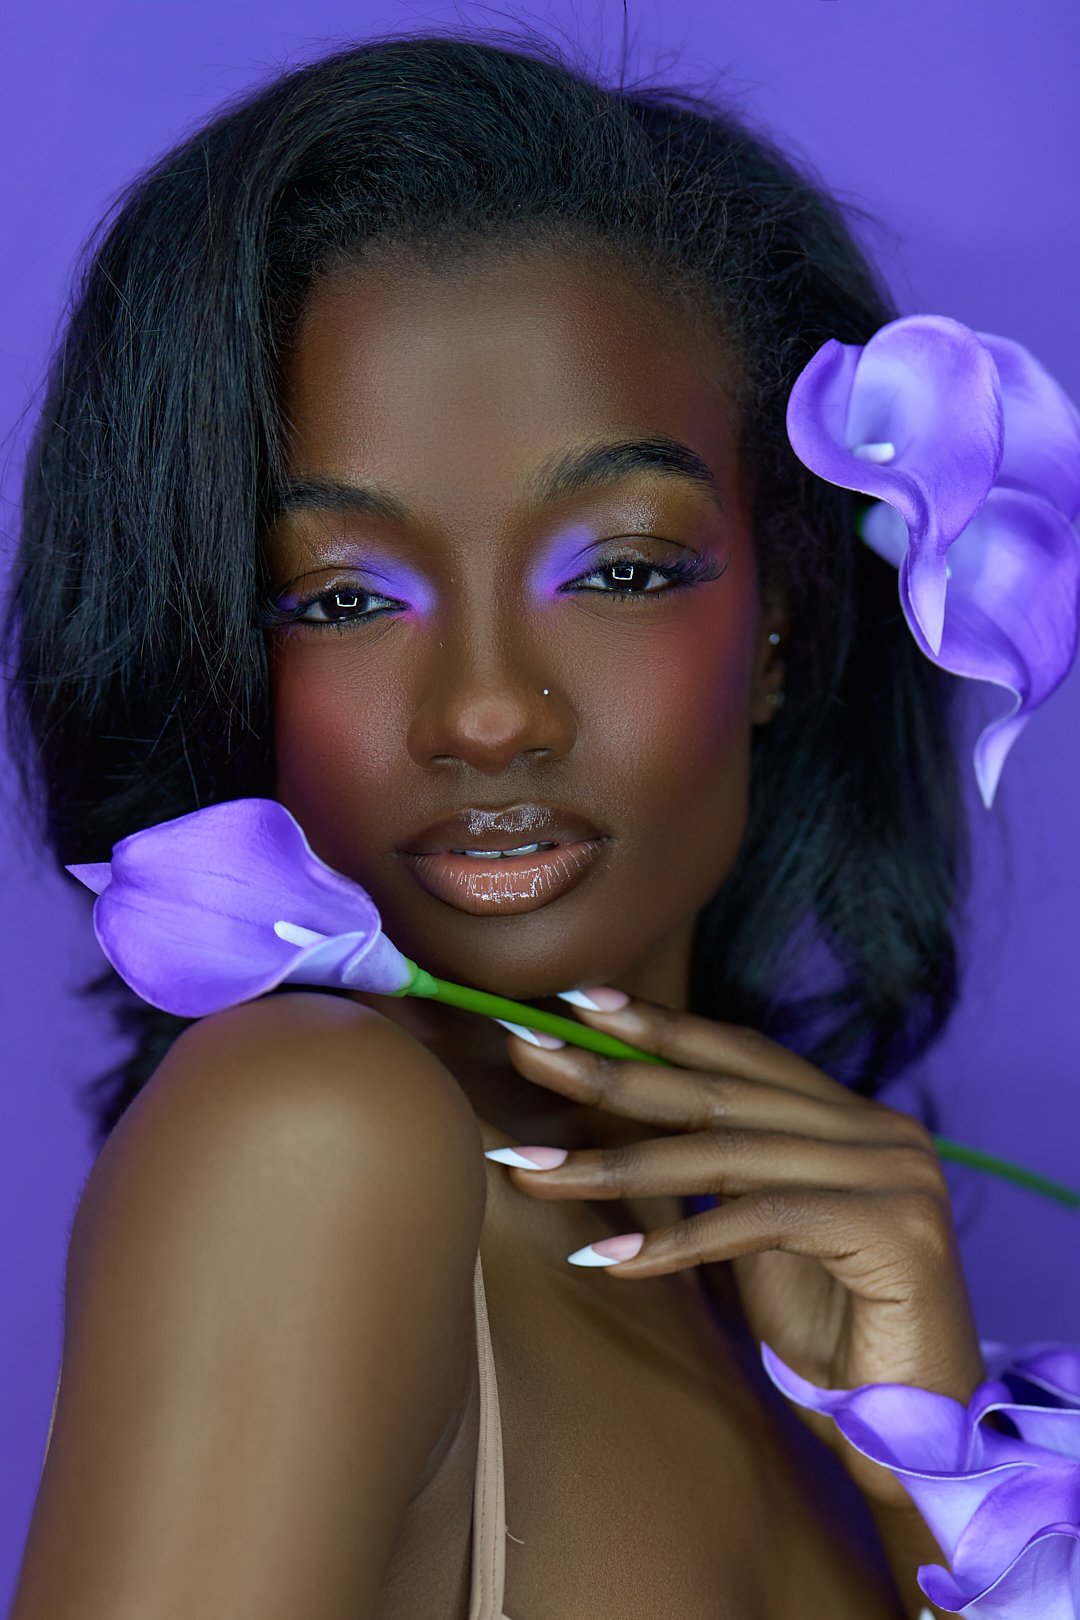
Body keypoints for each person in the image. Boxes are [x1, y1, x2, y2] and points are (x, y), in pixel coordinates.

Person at [6, 27, 1019, 1619]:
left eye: (620, 568)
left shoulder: (806, 1317)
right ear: (223, 653)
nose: (485, 710)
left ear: (783, 617)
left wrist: (931, 1478)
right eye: (341, 596)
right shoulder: (308, 1139)